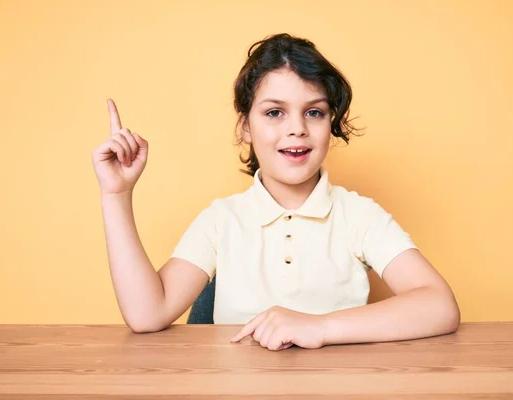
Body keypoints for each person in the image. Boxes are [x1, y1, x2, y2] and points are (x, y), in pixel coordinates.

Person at [91, 33, 460, 351]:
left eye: (313, 112)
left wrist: (320, 327)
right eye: (274, 113)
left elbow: (439, 305)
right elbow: (146, 314)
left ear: (330, 123)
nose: (297, 128)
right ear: (245, 127)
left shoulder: (358, 215)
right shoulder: (222, 220)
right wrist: (116, 194)